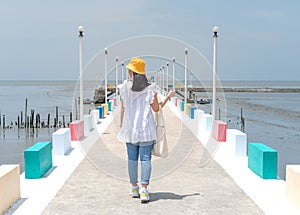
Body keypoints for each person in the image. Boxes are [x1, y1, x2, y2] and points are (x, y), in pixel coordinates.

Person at [118, 57, 175, 203]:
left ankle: (134, 188)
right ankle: (144, 190)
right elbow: (156, 109)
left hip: (130, 129)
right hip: (146, 129)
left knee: (131, 160)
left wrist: (121, 125)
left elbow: (123, 107)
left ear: (132, 72)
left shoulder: (124, 87)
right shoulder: (150, 89)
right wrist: (168, 96)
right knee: (145, 159)